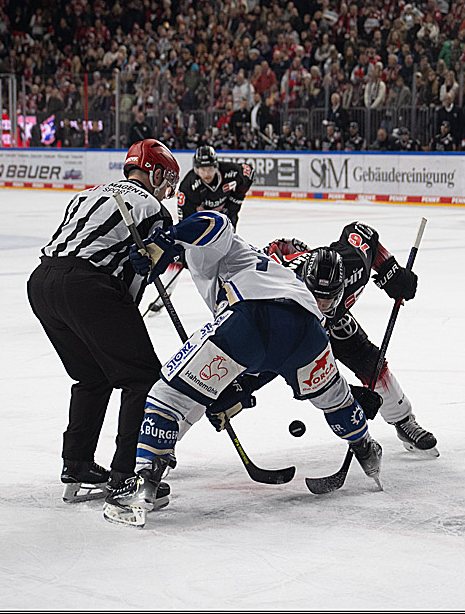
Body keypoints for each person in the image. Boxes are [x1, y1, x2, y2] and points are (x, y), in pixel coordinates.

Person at [105, 211, 384, 527]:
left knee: (169, 397)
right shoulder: (286, 279)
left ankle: (144, 485)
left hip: (247, 320)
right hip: (307, 334)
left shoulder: (229, 250)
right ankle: (366, 448)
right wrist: (235, 389)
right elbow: (274, 358)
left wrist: (167, 240)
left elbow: (215, 222)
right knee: (336, 400)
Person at [27, 139, 179, 504]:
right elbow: (135, 280)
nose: (167, 191)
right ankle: (127, 475)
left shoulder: (87, 193)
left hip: (42, 282)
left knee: (91, 376)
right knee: (141, 376)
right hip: (90, 287)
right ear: (154, 173)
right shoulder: (153, 209)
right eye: (166, 181)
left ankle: (77, 464)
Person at [266, 222, 437, 455]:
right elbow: (297, 373)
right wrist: (350, 395)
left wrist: (391, 272)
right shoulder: (283, 299)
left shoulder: (352, 264)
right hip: (297, 326)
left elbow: (362, 233)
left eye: (328, 299)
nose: (321, 306)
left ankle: (403, 420)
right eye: (315, 298)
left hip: (332, 319)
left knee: (369, 360)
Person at [178, 145, 254, 230]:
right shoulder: (188, 185)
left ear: (215, 167)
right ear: (197, 169)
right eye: (203, 169)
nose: (207, 174)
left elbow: (248, 173)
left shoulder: (229, 172)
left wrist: (237, 197)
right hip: (202, 219)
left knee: (229, 237)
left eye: (210, 169)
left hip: (226, 213)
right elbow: (184, 219)